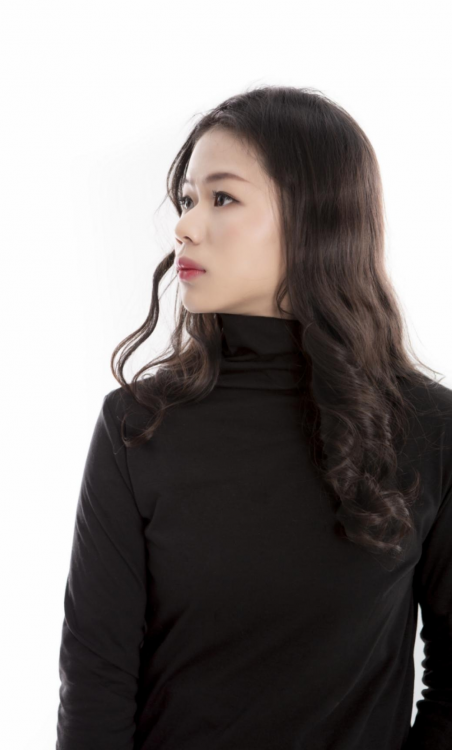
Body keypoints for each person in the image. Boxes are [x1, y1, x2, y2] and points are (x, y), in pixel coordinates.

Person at [55, 85, 452, 749]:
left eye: (222, 198)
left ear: (314, 217)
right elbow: (96, 681)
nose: (184, 226)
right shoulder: (137, 425)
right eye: (188, 199)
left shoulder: (430, 429)